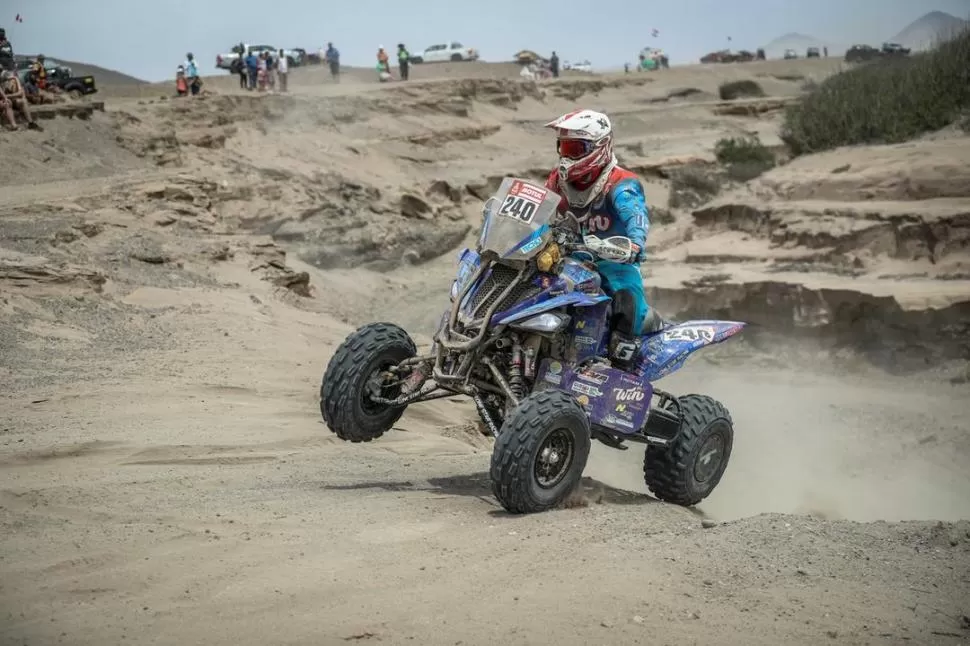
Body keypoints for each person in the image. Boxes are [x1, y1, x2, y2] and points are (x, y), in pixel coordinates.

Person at [542, 109, 656, 368]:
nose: (567, 156)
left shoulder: (621, 184)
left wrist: (635, 244)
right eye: (564, 147)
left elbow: (636, 216)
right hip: (567, 257)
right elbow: (541, 208)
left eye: (575, 148)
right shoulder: (557, 180)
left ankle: (620, 371)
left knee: (628, 302)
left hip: (613, 258)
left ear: (600, 146)